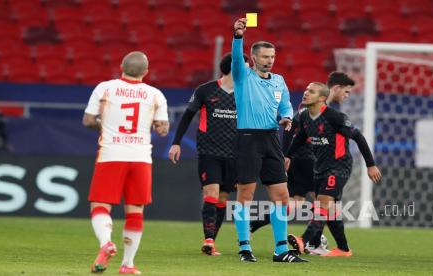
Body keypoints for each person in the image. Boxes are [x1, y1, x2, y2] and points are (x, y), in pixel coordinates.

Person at [249, 72, 356, 255]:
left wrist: (286, 155)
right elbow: (293, 131)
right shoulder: (316, 108)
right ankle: (314, 243)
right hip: (310, 161)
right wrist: (286, 155)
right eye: (346, 92)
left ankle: (328, 245)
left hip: (305, 161)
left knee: (298, 202)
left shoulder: (315, 109)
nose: (346, 96)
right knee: (323, 203)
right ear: (336, 88)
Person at [83, 51, 169, 274]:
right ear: (146, 72)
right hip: (140, 157)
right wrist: (154, 125)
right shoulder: (155, 94)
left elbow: (88, 120)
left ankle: (106, 243)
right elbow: (162, 129)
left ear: (121, 65)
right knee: (135, 211)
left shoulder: (105, 88)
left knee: (100, 204)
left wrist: (103, 124)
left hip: (111, 154)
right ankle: (127, 264)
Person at [231, 18, 306, 263]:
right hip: (248, 139)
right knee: (246, 195)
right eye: (265, 57)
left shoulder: (279, 80)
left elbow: (285, 106)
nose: (269, 60)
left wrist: (286, 118)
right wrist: (238, 37)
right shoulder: (243, 77)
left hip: (271, 140)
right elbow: (235, 60)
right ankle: (244, 247)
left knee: (282, 196)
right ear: (253, 58)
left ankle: (281, 250)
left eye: (272, 56)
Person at [285, 82, 382, 257]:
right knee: (332, 211)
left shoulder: (334, 117)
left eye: (311, 91)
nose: (306, 93)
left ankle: (303, 240)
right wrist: (288, 156)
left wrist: (370, 164)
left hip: (339, 166)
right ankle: (343, 249)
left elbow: (358, 137)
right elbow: (300, 138)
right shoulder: (305, 116)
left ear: (322, 98)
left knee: (322, 202)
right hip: (320, 167)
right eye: (306, 89)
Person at [168, 53, 248, 256]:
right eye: (246, 66)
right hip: (209, 151)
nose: (249, 70)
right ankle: (209, 240)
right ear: (235, 67)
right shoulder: (205, 90)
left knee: (222, 197)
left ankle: (212, 240)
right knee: (211, 193)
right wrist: (176, 143)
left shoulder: (247, 93)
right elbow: (187, 116)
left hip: (235, 154)